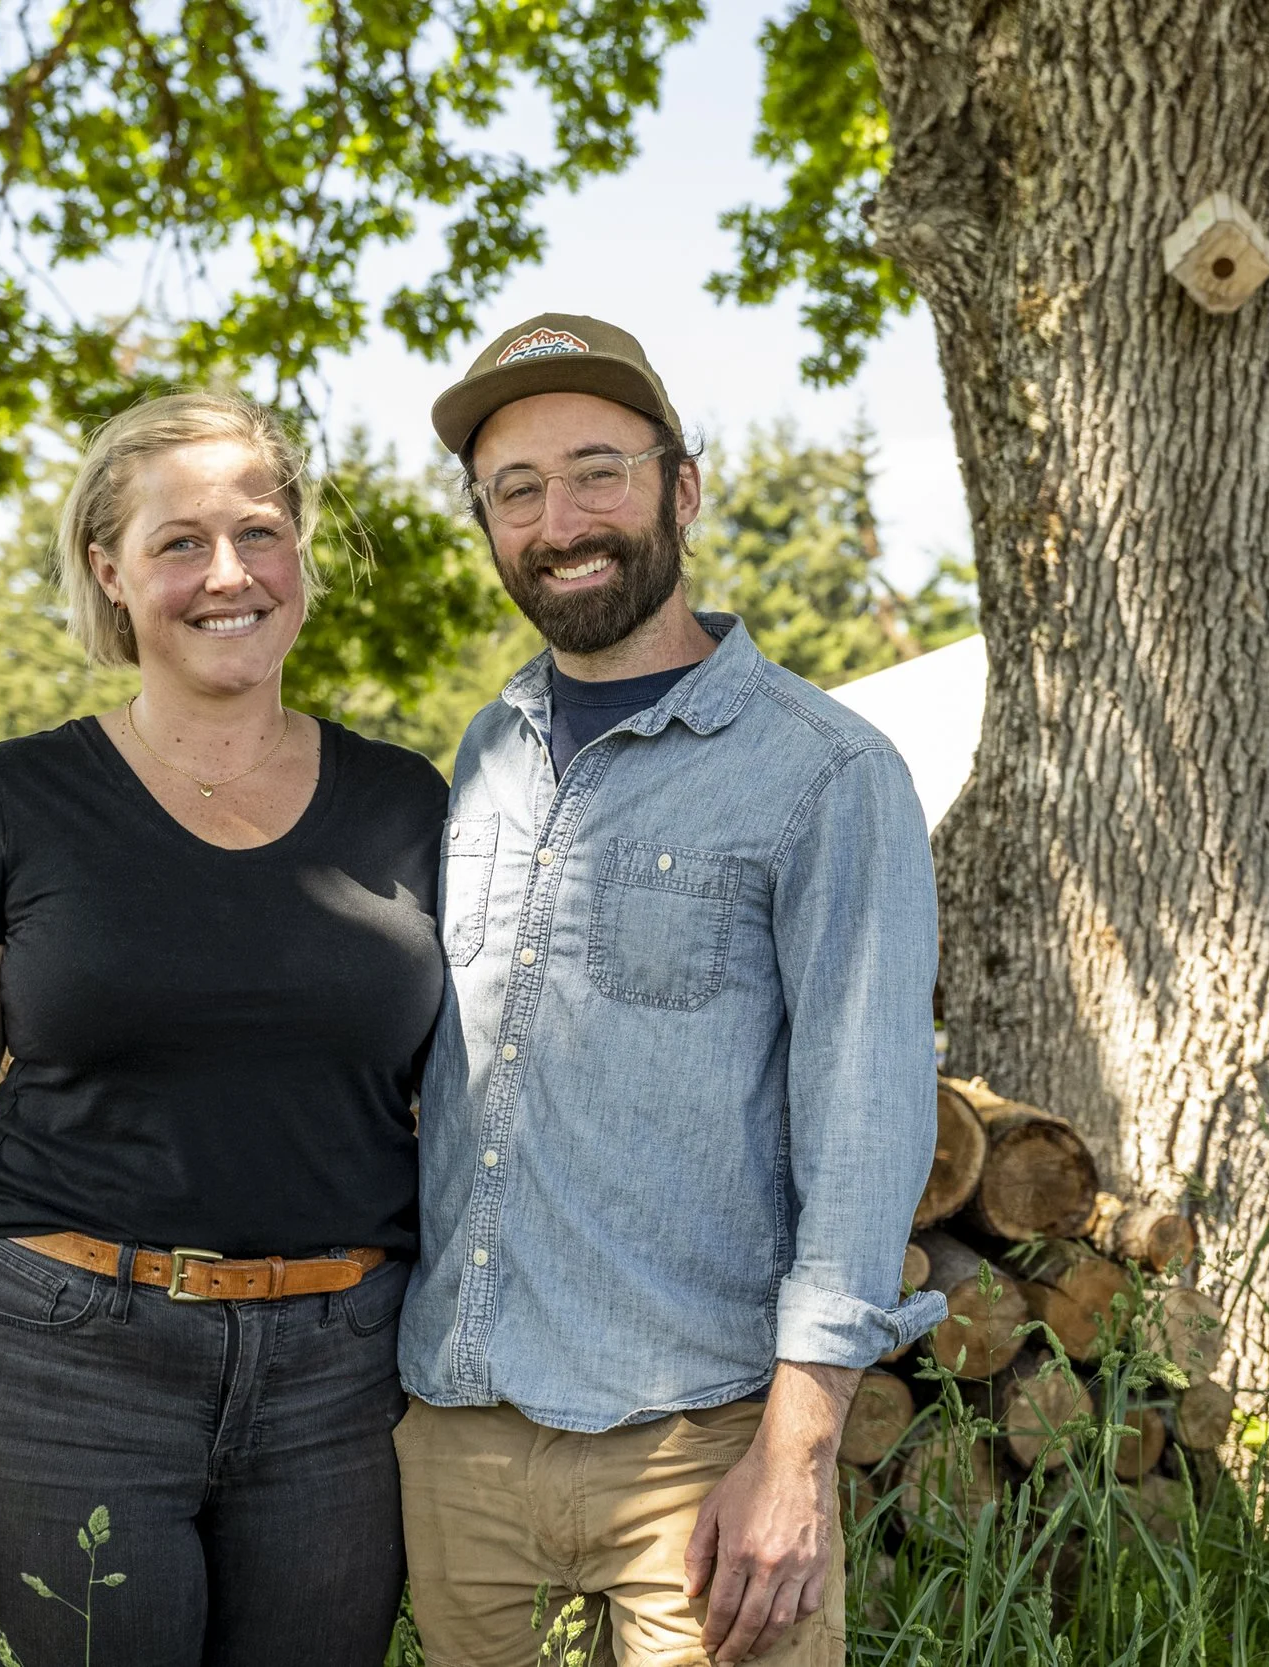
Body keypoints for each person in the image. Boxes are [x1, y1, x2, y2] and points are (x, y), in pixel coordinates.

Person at [0, 392, 447, 1667]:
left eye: (260, 531)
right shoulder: (13, 798)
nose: (228, 573)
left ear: (299, 558)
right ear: (108, 572)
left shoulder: (410, 801)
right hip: (60, 1362)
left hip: (342, 1377)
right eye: (179, 542)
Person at [396, 313, 946, 1667]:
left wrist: (794, 1453)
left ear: (681, 487)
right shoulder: (485, 757)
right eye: (515, 490)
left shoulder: (826, 771)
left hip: (700, 1452)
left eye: (598, 471)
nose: (558, 518)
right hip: (460, 1433)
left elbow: (867, 1133)